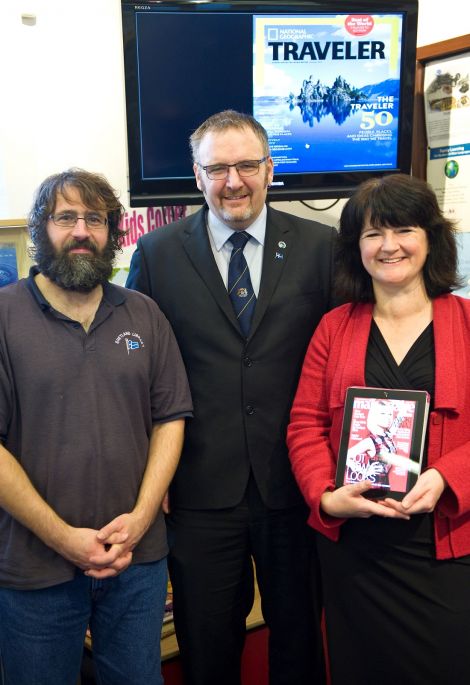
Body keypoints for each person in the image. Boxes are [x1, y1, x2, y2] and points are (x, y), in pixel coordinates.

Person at [126, 110, 336, 685]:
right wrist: (151, 476)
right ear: (197, 176)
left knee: (298, 638)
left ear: (270, 169)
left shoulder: (323, 247)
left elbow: (343, 357)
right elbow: (135, 373)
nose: (234, 181)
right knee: (208, 645)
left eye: (246, 165)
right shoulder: (158, 253)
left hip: (294, 485)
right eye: (217, 168)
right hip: (197, 491)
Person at [0, 169, 193, 685]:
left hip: (138, 562)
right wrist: (63, 537)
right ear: (43, 228)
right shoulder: (5, 315)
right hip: (35, 568)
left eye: (96, 219)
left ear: (113, 231)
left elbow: (169, 420)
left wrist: (142, 518)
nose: (82, 230)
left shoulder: (145, 314)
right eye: (67, 217)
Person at [287, 173, 470, 684]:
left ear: (431, 237)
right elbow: (304, 424)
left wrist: (448, 478)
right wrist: (325, 497)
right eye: (372, 234)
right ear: (356, 247)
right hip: (356, 553)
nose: (388, 246)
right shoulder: (334, 326)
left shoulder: (468, 321)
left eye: (403, 229)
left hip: (447, 547)